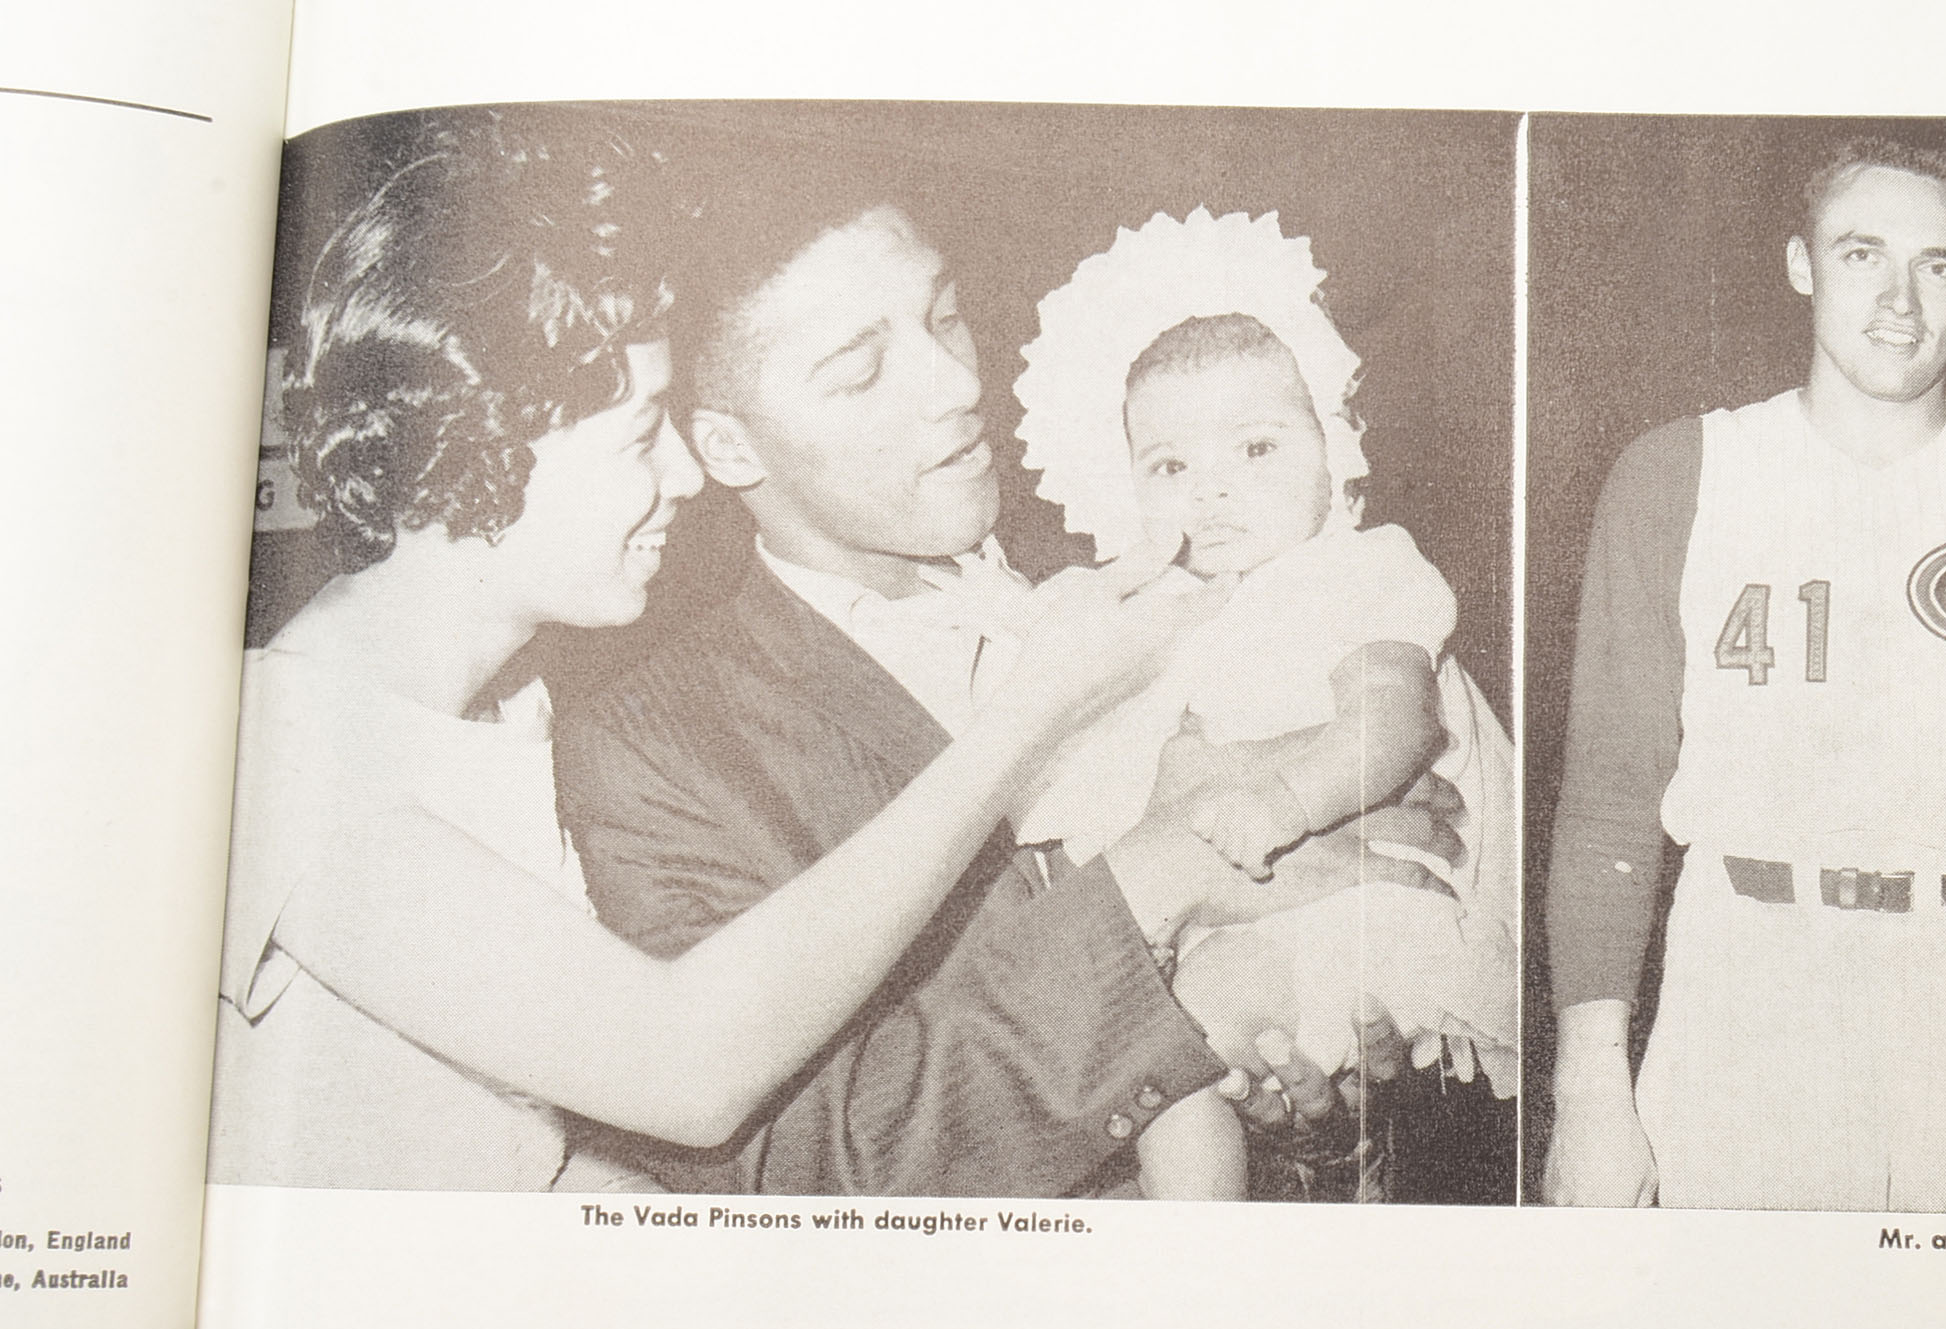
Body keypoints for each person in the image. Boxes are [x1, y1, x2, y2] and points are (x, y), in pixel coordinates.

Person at [207, 117, 1210, 1191]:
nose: (687, 478)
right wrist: (1032, 715)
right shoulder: (286, 753)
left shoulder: (510, 714)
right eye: (643, 434)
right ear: (482, 451)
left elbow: (544, 1164)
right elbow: (680, 1069)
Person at [554, 185, 1462, 1197]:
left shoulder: (1153, 532)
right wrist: (1160, 875)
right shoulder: (651, 747)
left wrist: (1317, 1123)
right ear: (729, 446)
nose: (954, 382)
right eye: (861, 371)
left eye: (945, 317)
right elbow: (788, 1175)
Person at [1543, 137, 1946, 1213]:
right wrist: (1588, 1089)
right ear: (1801, 264)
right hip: (1748, 986)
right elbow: (1609, 805)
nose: (1900, 302)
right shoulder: (1684, 472)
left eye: (1938, 266)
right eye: (1862, 255)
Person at [1002, 209, 1519, 1199]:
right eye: (1171, 466)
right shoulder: (1157, 615)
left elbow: (1394, 720)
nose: (1212, 492)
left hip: (1358, 905)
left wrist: (1279, 804)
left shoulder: (1358, 574)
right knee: (1159, 1048)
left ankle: (1204, 1242)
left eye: (1255, 449)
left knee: (1169, 1049)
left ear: (1334, 449)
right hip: (1236, 923)